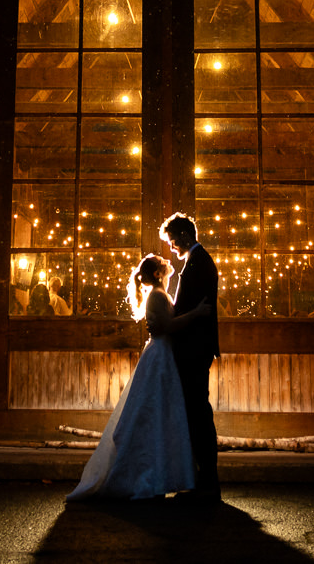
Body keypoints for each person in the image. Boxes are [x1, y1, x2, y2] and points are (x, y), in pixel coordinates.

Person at [64, 253, 212, 501]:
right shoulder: (156, 295)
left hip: (162, 354)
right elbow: (167, 326)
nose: (168, 265)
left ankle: (159, 474)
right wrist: (196, 313)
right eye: (163, 265)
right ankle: (148, 475)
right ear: (157, 273)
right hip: (160, 356)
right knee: (153, 413)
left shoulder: (157, 294)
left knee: (158, 414)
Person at [162, 211, 222, 500]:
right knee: (195, 411)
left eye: (173, 241)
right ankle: (201, 477)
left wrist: (166, 318)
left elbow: (189, 309)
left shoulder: (199, 264)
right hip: (195, 347)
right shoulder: (197, 262)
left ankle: (207, 480)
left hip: (195, 348)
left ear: (185, 236)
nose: (172, 247)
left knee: (197, 412)